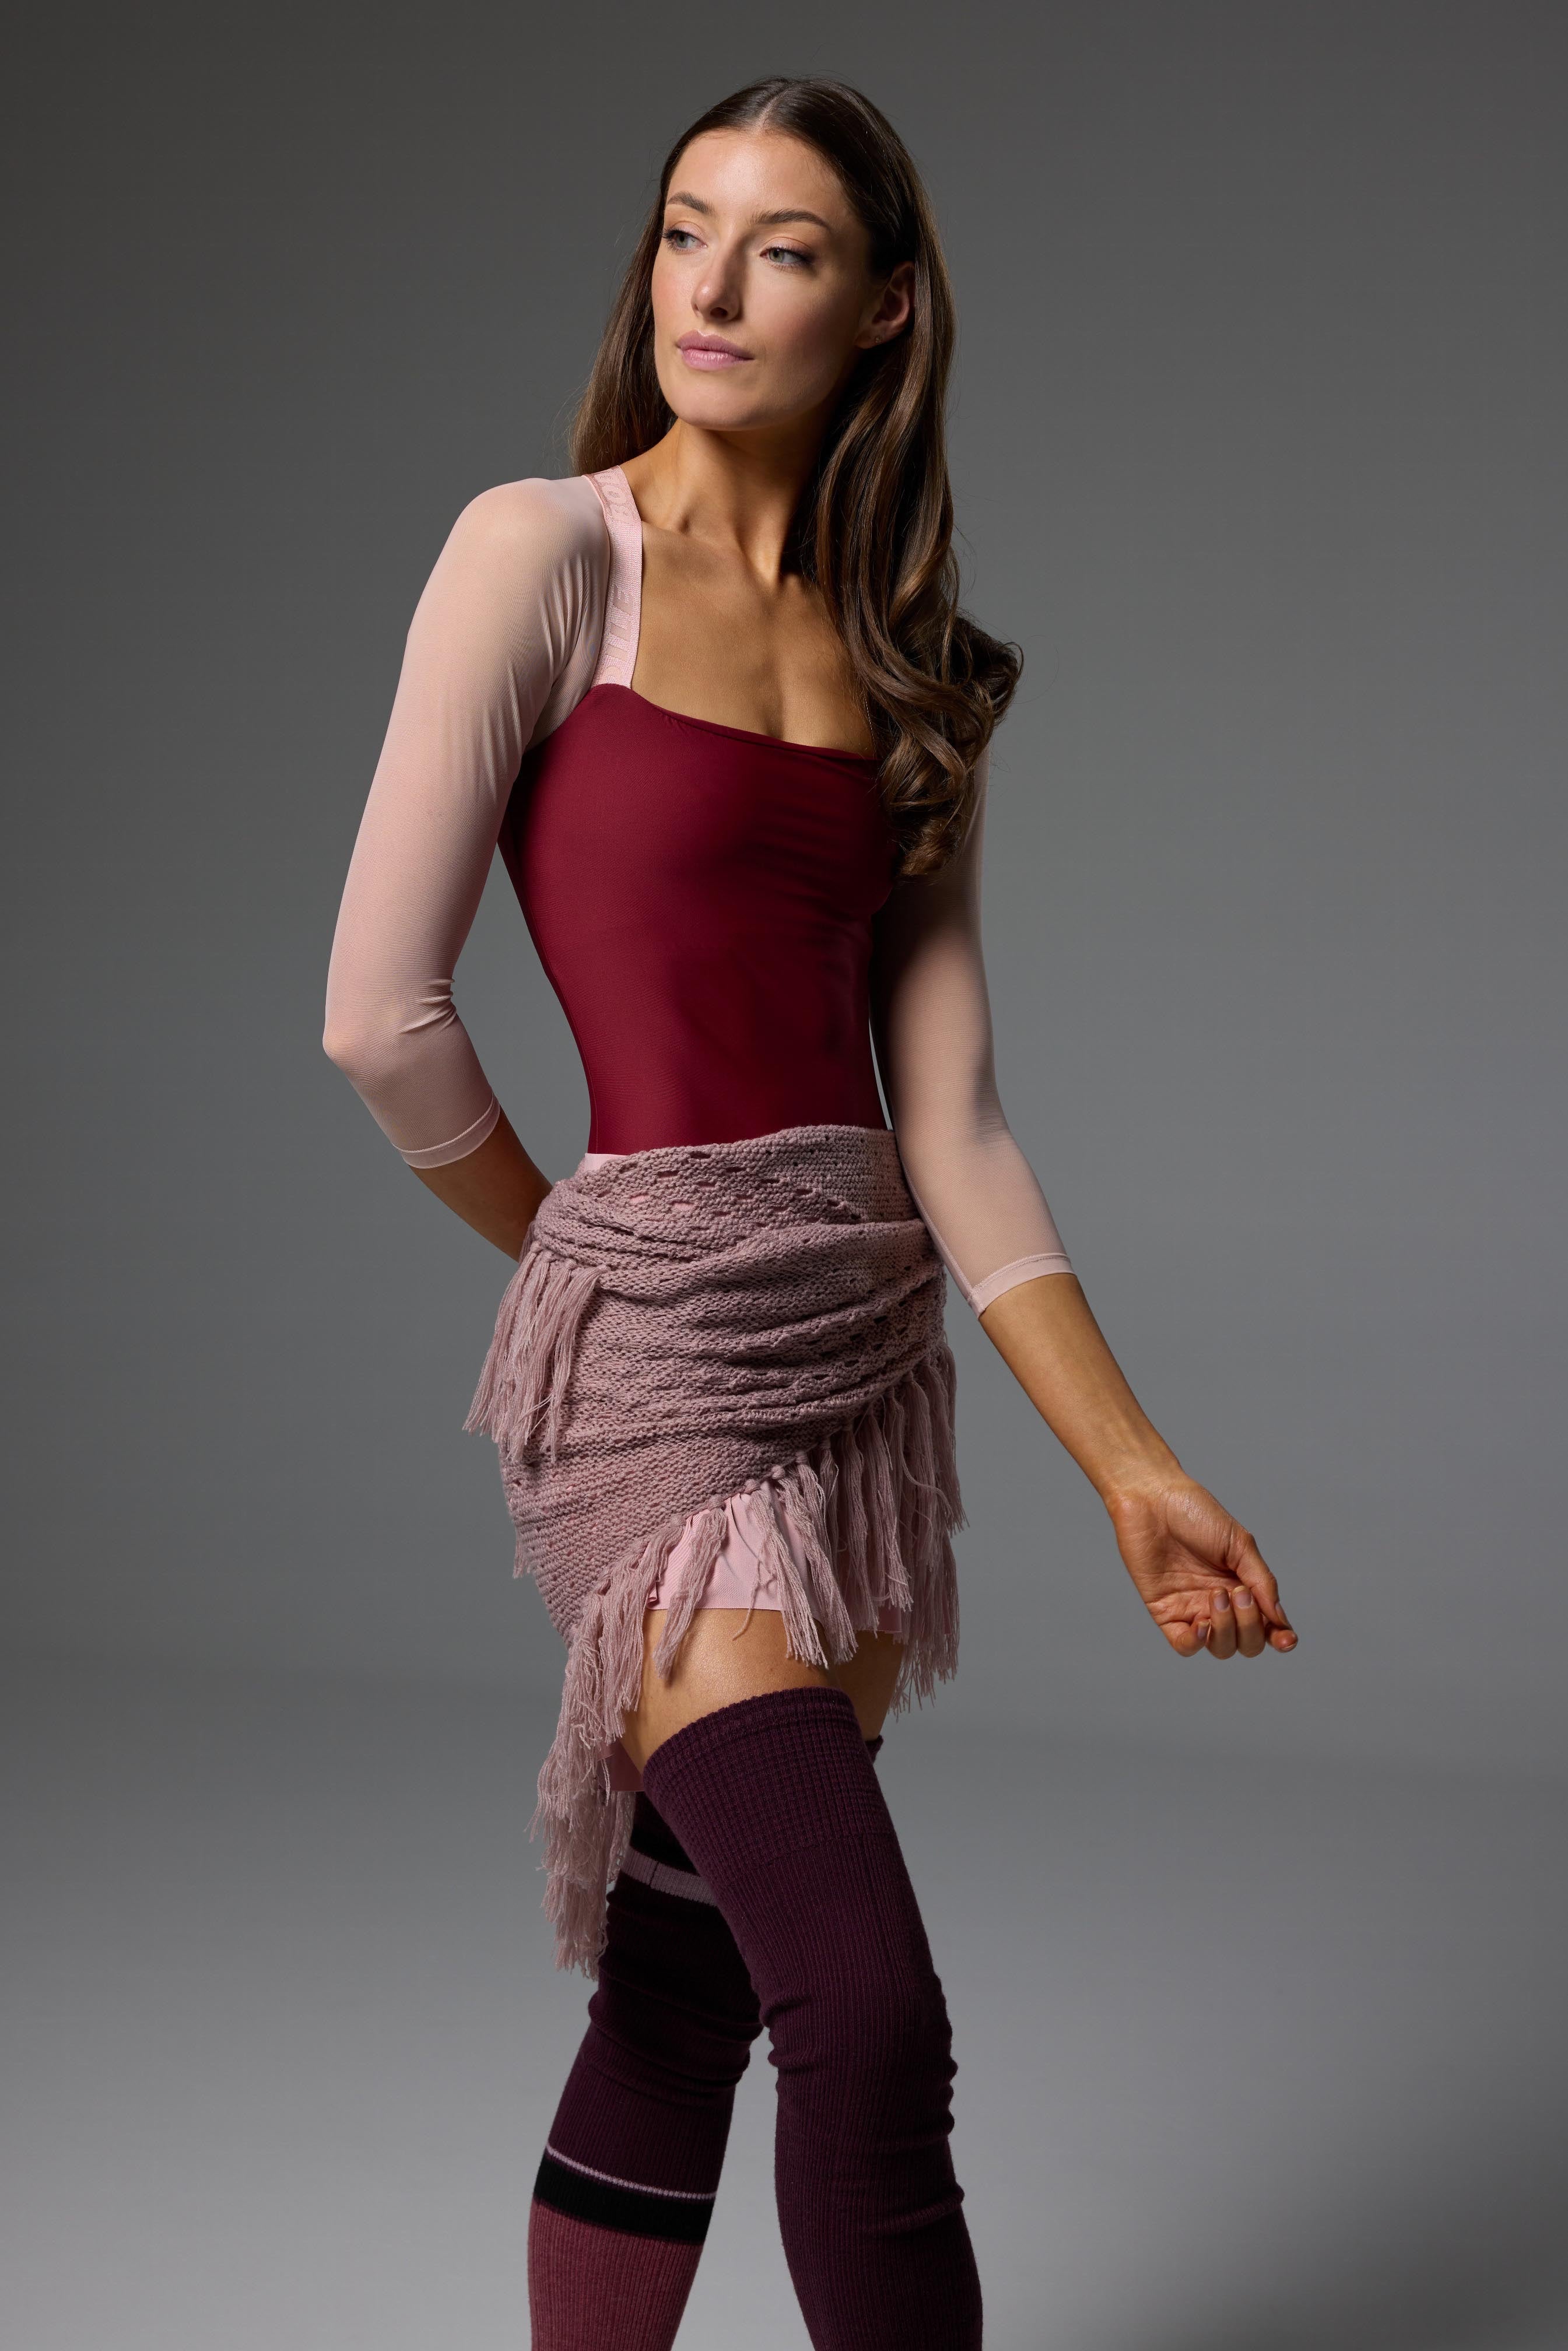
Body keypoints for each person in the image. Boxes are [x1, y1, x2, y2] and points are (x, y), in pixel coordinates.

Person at [324, 74, 1296, 2351]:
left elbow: (952, 1125)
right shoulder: (541, 554)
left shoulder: (909, 662)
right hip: (659, 1372)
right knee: (863, 2011)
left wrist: (1130, 1467)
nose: (713, 286)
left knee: (686, 1989)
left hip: (863, 1372)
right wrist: (590, 1272)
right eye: (685, 230)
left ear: (881, 310)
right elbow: (380, 1018)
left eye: (781, 249)